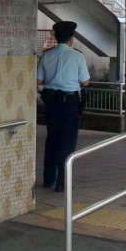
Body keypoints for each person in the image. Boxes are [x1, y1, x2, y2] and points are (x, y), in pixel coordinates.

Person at [37, 20, 90, 193]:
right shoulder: (77, 56)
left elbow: (39, 80)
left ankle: (48, 179)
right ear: (71, 39)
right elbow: (85, 82)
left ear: (56, 37)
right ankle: (62, 181)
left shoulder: (46, 55)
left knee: (52, 138)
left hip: (51, 102)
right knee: (67, 141)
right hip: (70, 103)